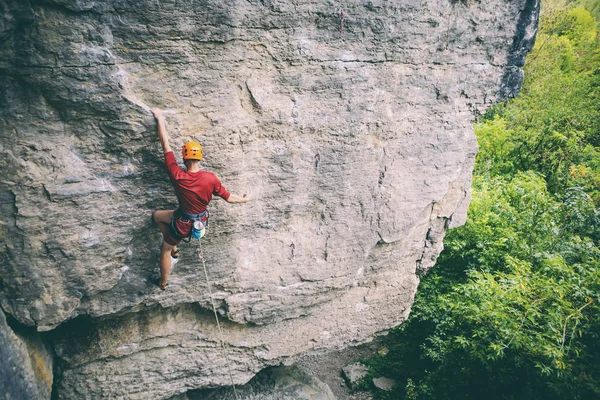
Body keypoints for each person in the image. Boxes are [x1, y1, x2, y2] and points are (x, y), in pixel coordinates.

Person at [151, 108, 248, 290]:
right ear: (200, 157)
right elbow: (229, 198)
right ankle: (174, 246)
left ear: (184, 157)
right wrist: (244, 199)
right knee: (157, 216)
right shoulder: (210, 178)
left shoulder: (177, 175)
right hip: (198, 220)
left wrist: (160, 119)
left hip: (182, 223)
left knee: (163, 249)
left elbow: (166, 145)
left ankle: (163, 282)